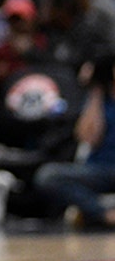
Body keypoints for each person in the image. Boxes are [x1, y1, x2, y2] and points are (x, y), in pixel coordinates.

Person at [32, 56, 115, 228]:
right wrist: (95, 89)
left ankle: (90, 212)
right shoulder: (99, 99)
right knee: (48, 176)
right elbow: (87, 137)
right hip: (99, 169)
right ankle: (104, 213)